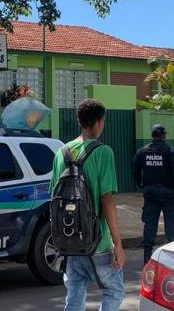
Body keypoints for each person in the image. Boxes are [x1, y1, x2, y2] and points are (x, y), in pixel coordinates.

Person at [49, 99, 125, 311]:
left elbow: (53, 197)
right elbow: (107, 199)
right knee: (114, 290)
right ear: (99, 122)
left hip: (70, 240)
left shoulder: (60, 153)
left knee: (74, 294)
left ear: (79, 121)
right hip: (97, 241)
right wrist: (117, 244)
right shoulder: (103, 152)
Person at [132, 124, 174, 264]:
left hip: (150, 193)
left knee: (150, 224)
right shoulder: (170, 151)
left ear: (152, 135)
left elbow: (135, 171)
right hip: (168, 193)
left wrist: (142, 186)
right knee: (171, 225)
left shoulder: (142, 152)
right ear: (163, 135)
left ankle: (147, 258)